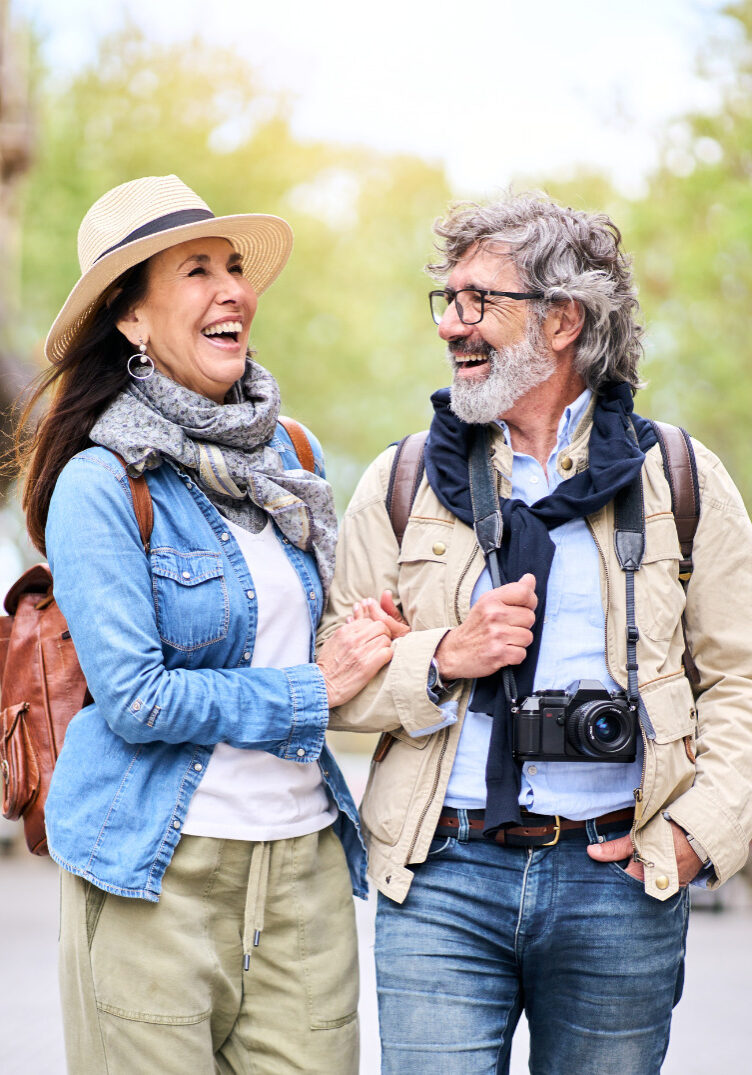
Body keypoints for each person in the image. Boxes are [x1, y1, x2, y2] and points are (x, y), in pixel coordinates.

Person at [319, 192, 752, 1074]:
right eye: (448, 300)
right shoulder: (402, 480)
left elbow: (740, 679)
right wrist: (445, 656)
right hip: (441, 876)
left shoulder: (680, 477)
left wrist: (697, 837)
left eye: (480, 300)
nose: (453, 324)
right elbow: (332, 680)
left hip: (620, 878)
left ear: (562, 320)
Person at [15, 174, 394, 1074]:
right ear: (131, 318)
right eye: (196, 271)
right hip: (154, 872)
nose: (232, 290)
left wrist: (375, 634)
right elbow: (137, 697)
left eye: (234, 267)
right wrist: (312, 688)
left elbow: (318, 631)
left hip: (303, 871)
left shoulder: (292, 454)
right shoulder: (101, 483)